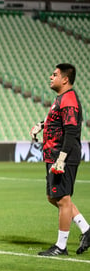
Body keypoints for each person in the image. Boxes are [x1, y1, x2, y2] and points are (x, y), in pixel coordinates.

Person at [30, 63, 89, 256]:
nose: (50, 77)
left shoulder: (69, 99)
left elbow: (71, 132)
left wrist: (61, 159)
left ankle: (61, 246)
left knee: (62, 199)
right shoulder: (62, 98)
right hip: (53, 154)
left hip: (62, 156)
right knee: (53, 197)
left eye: (54, 74)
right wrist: (41, 125)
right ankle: (86, 229)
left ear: (65, 79)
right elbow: (57, 121)